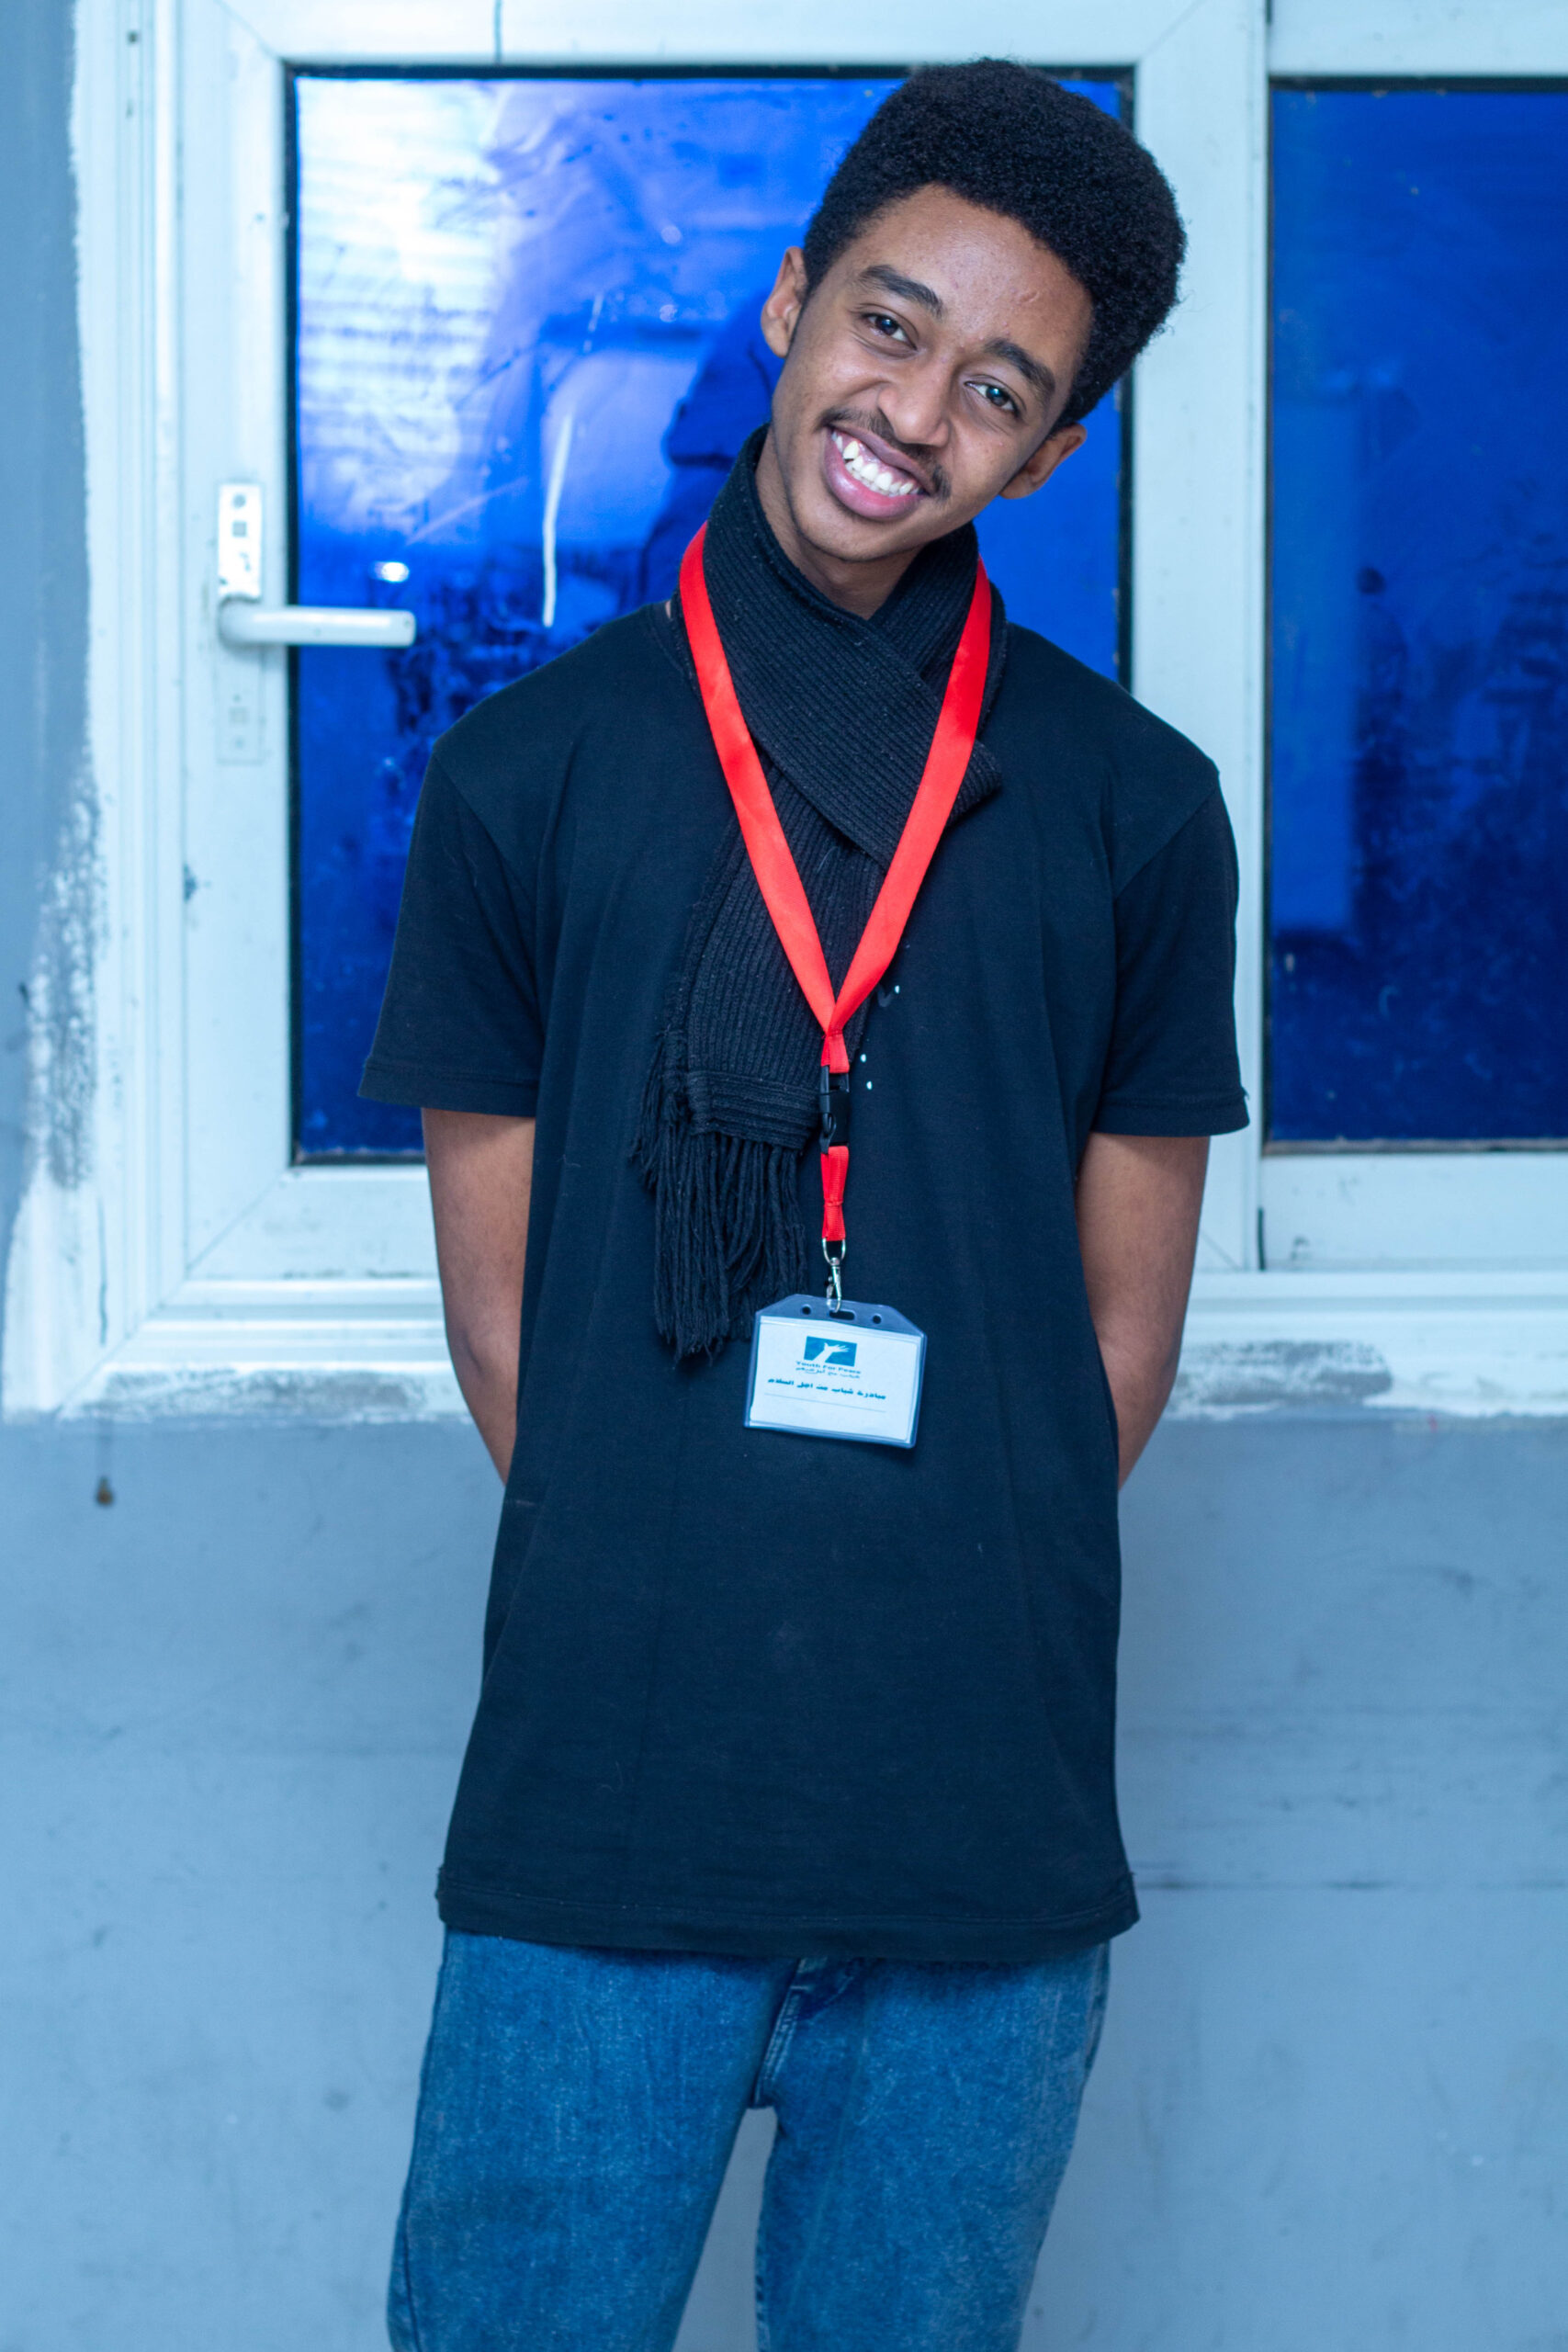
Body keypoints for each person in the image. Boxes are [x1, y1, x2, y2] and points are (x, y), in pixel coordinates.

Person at [363, 59, 1246, 2352]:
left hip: (977, 1817)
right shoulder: (525, 776)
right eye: (886, 323)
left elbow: (1116, 1342)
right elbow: (502, 1321)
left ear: (1045, 454)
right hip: (603, 1799)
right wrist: (690, 1562)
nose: (911, 412)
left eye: (996, 389)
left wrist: (921, 1574)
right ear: (788, 302)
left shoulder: (1132, 810)